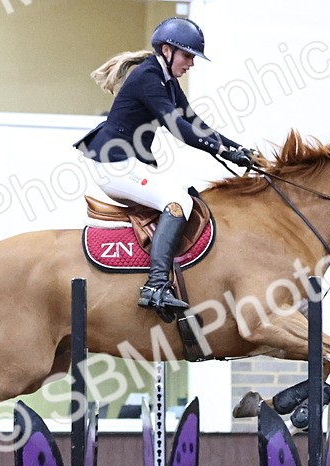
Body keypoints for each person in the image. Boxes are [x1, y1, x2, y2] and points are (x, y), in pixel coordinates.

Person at [75, 17, 256, 317]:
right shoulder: (148, 77)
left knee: (188, 193)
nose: (191, 64)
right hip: (114, 165)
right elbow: (178, 127)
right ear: (167, 50)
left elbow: (194, 122)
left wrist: (238, 149)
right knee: (177, 202)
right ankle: (155, 286)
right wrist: (223, 150)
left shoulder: (166, 80)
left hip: (127, 162)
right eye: (187, 56)